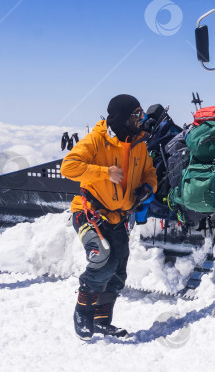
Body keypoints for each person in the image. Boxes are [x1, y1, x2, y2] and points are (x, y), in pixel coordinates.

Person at [61, 94, 157, 340]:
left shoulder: (139, 143)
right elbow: (68, 166)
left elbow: (149, 172)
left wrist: (148, 188)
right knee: (102, 259)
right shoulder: (96, 140)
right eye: (136, 114)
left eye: (141, 113)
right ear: (123, 117)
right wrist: (104, 173)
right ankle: (83, 312)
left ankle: (102, 321)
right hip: (89, 213)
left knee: (118, 271)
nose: (141, 118)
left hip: (118, 217)